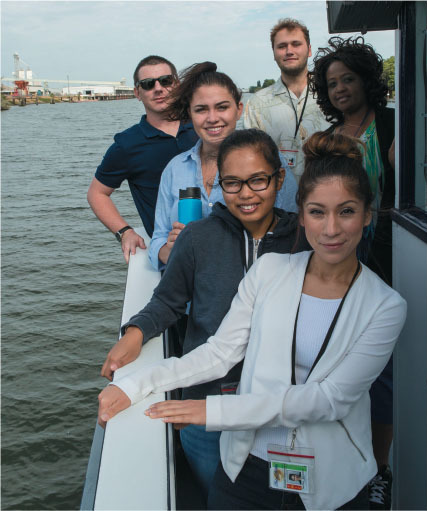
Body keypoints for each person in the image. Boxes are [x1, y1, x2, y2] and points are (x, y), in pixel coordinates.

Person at [97, 131, 406, 510]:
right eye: (316, 212)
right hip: (245, 464)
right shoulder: (270, 270)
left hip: (331, 477)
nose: (330, 229)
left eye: (346, 211)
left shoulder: (385, 305)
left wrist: (211, 411)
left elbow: (330, 400)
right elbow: (219, 353)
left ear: (367, 215)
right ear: (302, 215)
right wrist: (136, 382)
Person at [100, 128, 310, 499]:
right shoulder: (199, 237)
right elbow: (168, 301)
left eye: (258, 180)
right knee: (218, 495)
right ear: (218, 184)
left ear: (279, 179)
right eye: (232, 183)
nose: (245, 193)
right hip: (208, 397)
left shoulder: (303, 241)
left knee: (281, 499)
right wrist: (134, 333)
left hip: (280, 405)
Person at [312, 37, 395, 510]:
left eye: (347, 79)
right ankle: (340, 460)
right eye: (332, 83)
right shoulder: (329, 137)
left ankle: (378, 468)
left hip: (386, 258)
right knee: (336, 362)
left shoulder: (391, 123)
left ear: (366, 79)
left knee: (381, 371)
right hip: (338, 256)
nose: (340, 89)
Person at [148, 61, 298, 271]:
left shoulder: (268, 160)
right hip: (190, 292)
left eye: (222, 107)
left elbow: (293, 227)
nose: (212, 118)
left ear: (239, 109)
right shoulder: (175, 169)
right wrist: (169, 250)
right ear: (190, 115)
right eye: (201, 110)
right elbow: (158, 238)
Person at [87, 55, 198, 263]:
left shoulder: (203, 126)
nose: (158, 88)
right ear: (137, 93)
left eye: (166, 81)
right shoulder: (128, 144)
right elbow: (97, 193)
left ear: (177, 84)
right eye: (148, 84)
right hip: (169, 250)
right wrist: (124, 232)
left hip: (218, 238)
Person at [243, 18, 330, 182]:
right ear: (274, 53)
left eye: (296, 44)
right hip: (279, 201)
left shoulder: (331, 95)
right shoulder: (257, 104)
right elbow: (252, 159)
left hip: (329, 197)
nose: (289, 51)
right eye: (282, 46)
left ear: (309, 50)